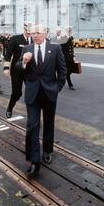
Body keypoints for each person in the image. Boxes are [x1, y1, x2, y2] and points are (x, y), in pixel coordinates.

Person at [16, 23, 66, 178]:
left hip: (50, 93)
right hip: (33, 94)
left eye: (37, 32)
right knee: (32, 125)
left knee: (49, 122)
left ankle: (47, 150)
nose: (34, 35)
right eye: (33, 33)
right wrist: (23, 62)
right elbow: (17, 69)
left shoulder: (56, 49)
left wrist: (57, 88)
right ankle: (34, 161)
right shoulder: (26, 49)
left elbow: (62, 71)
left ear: (45, 33)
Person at [3, 23, 32, 118]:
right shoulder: (15, 39)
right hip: (17, 71)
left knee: (32, 92)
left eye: (30, 30)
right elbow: (8, 54)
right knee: (17, 93)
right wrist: (6, 68)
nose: (28, 32)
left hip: (30, 71)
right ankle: (9, 108)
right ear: (24, 28)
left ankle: (31, 113)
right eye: (27, 29)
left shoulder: (34, 40)